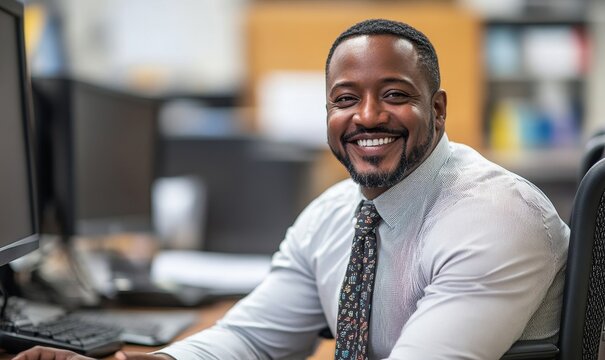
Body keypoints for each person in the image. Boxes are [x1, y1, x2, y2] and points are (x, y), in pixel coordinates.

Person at [13, 18, 569, 360]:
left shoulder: (496, 217)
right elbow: (252, 339)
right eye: (346, 99)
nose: (367, 116)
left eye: (395, 94)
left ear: (439, 108)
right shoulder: (335, 214)